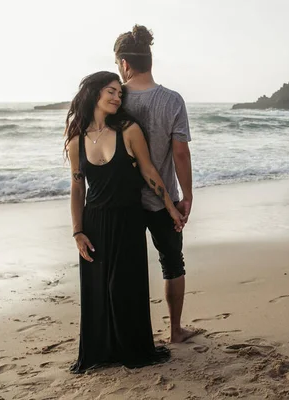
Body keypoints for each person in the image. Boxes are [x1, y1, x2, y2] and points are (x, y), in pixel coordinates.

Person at [65, 71, 184, 373]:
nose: (118, 97)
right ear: (94, 94)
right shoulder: (76, 141)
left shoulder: (129, 130)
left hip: (128, 219)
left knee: (125, 287)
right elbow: (78, 187)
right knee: (98, 289)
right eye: (111, 92)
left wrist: (170, 207)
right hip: (94, 222)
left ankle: (132, 348)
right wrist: (77, 231)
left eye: (119, 92)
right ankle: (103, 350)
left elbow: (149, 172)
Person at [113, 25, 195, 343]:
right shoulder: (172, 100)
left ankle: (129, 335)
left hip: (124, 202)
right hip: (164, 202)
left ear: (124, 64)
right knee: (173, 263)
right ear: (149, 60)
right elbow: (180, 153)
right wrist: (186, 197)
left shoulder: (114, 100)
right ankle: (175, 331)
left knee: (127, 269)